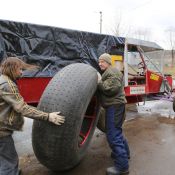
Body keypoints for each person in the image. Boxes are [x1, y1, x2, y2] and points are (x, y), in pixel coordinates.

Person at [0, 57, 65, 175]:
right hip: (1, 131)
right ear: (13, 68)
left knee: (5, 158)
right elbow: (23, 108)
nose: (21, 72)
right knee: (10, 161)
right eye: (20, 69)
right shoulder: (7, 84)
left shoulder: (1, 79)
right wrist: (48, 116)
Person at [97, 53, 129, 175]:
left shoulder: (113, 72)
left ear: (108, 62)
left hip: (114, 106)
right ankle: (125, 154)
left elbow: (110, 89)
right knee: (117, 131)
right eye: (99, 61)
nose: (100, 63)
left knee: (113, 135)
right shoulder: (109, 72)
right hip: (115, 106)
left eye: (103, 61)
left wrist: (99, 81)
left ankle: (122, 167)